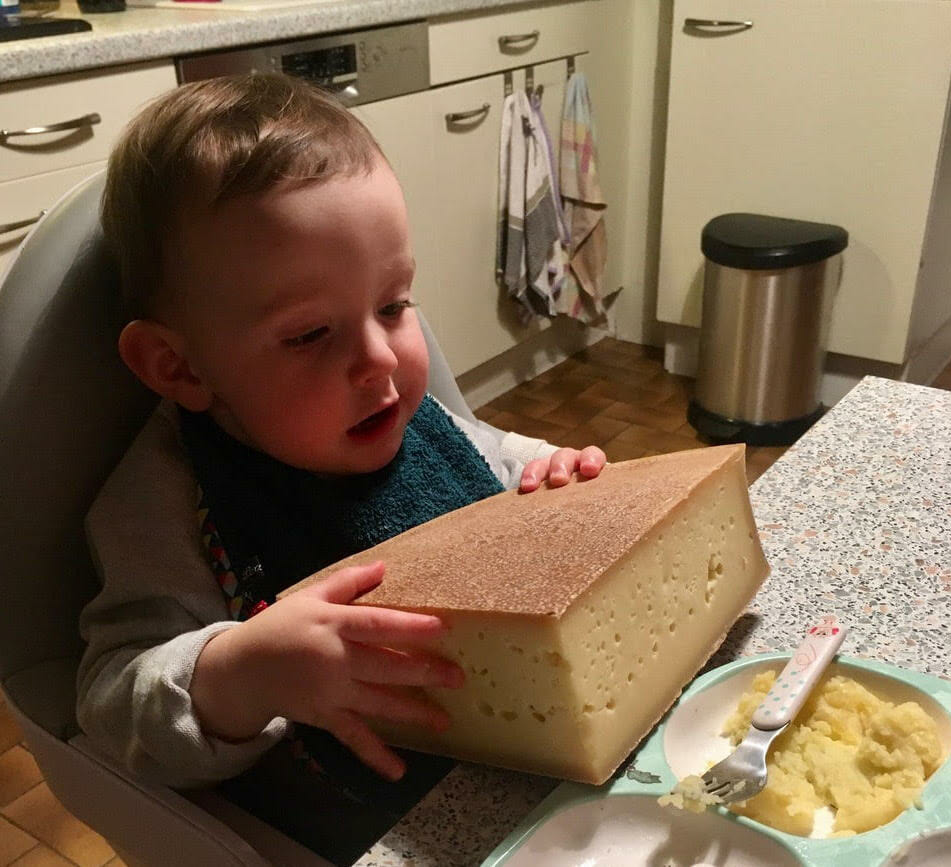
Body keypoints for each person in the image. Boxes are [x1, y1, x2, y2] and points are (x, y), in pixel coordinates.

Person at [77, 71, 607, 864]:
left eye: (393, 305)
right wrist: (243, 673)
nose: (380, 360)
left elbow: (483, 453)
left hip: (526, 756)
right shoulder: (164, 500)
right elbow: (112, 703)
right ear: (179, 366)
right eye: (307, 334)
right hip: (358, 821)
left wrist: (550, 471)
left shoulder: (393, 406)